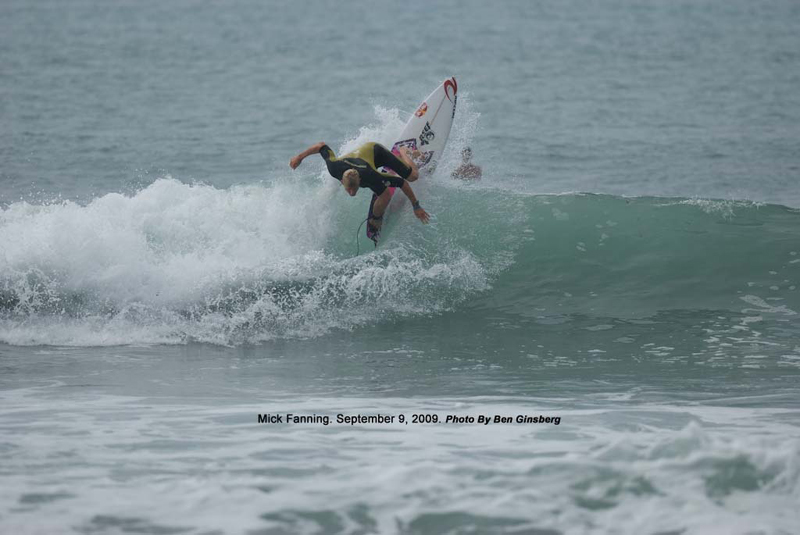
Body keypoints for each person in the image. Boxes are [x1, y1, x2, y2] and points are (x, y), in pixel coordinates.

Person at [289, 141, 430, 236]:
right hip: (360, 157)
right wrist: (299, 157)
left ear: (360, 181)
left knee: (412, 177)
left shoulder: (370, 176)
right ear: (342, 181)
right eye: (348, 189)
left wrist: (416, 206)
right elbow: (321, 146)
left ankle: (404, 150)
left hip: (375, 152)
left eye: (354, 189)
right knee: (382, 188)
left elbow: (401, 183)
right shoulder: (334, 168)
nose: (351, 193)